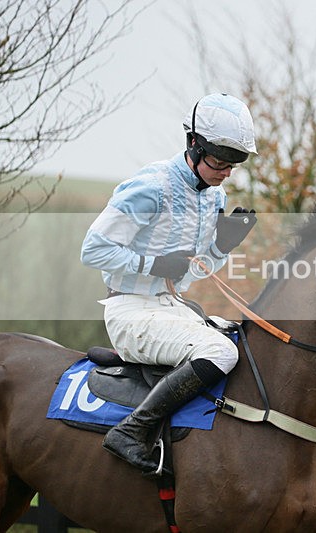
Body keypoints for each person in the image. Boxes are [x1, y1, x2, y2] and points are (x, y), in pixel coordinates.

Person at [80, 93, 258, 473]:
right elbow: (92, 250)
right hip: (129, 310)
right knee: (223, 354)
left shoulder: (213, 196)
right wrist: (153, 263)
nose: (226, 172)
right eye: (219, 162)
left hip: (172, 308)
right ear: (193, 144)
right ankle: (131, 431)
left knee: (245, 339)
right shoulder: (151, 186)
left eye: (234, 165)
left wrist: (222, 245)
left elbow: (190, 273)